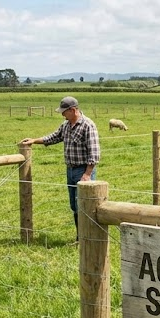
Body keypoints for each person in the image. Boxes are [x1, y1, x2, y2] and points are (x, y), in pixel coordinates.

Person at [20, 96, 101, 234]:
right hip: (70, 170)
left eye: (64, 112)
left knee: (85, 205)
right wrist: (34, 140)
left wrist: (87, 174)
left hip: (82, 170)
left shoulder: (88, 125)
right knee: (74, 206)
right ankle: (79, 237)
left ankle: (88, 238)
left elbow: (94, 153)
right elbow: (53, 137)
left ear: (73, 110)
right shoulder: (66, 126)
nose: (62, 115)